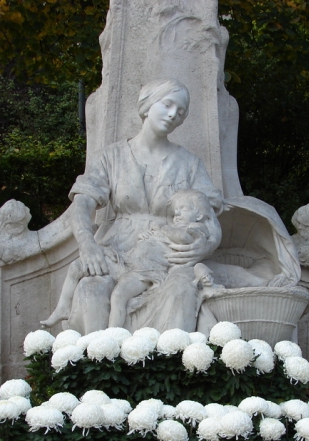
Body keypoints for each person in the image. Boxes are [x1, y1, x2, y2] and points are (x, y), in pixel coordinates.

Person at [52, 79, 224, 334]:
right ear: (146, 105)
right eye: (167, 105)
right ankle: (99, 363)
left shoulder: (189, 163)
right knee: (91, 290)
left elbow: (209, 217)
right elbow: (83, 202)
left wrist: (207, 244)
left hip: (165, 255)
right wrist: (87, 245)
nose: (173, 115)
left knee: (182, 291)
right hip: (117, 249)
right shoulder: (112, 157)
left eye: (180, 112)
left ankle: (171, 365)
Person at [41, 188, 214, 328]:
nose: (177, 213)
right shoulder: (172, 228)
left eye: (183, 209)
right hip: (128, 259)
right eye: (177, 210)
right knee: (77, 266)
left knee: (118, 296)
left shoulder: (196, 229)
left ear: (199, 215)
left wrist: (162, 227)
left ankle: (113, 337)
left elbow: (184, 238)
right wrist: (150, 236)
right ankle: (63, 307)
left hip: (145, 272)